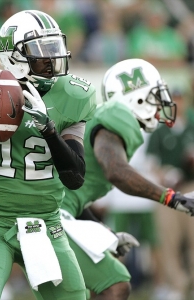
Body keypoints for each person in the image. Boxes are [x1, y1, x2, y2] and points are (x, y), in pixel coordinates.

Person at [0, 9, 96, 300]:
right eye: (41, 50)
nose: (51, 58)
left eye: (54, 47)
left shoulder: (72, 95)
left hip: (46, 222)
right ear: (12, 56)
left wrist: (49, 130)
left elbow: (75, 177)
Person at [59, 58, 194, 300]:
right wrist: (170, 197)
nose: (161, 103)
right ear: (137, 98)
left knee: (101, 285)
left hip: (58, 211)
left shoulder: (111, 117)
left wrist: (101, 230)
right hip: (51, 215)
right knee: (114, 284)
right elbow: (116, 171)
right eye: (154, 96)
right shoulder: (117, 114)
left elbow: (74, 197)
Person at [146, 88, 194, 300]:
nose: (178, 103)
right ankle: (177, 284)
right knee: (168, 239)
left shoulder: (192, 127)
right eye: (174, 99)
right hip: (169, 191)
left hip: (192, 186)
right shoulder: (161, 130)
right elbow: (152, 163)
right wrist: (165, 172)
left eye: (180, 98)